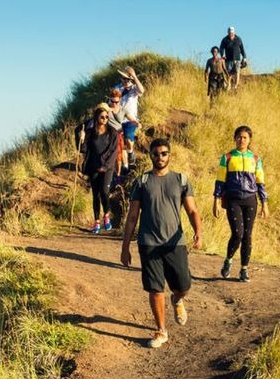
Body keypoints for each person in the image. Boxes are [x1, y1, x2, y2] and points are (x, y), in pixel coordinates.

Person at [121, 138, 202, 349]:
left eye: (164, 153)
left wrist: (198, 233)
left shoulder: (181, 180)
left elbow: (192, 210)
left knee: (184, 286)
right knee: (155, 289)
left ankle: (177, 300)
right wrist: (125, 247)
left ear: (170, 155)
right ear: (150, 156)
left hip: (175, 243)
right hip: (149, 243)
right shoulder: (142, 182)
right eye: (156, 154)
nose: (160, 157)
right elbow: (132, 216)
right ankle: (161, 331)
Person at [213, 125, 268, 283]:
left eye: (244, 137)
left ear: (249, 140)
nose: (241, 140)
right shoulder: (228, 157)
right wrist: (216, 200)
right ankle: (228, 260)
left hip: (250, 199)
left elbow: (260, 182)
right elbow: (220, 180)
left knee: (247, 236)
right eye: (239, 137)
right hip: (233, 199)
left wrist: (265, 203)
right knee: (238, 234)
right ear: (234, 138)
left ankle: (244, 269)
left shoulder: (255, 159)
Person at [81, 105, 122, 233]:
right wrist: (82, 139)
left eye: (106, 117)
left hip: (107, 167)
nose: (105, 119)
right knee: (95, 194)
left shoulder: (113, 133)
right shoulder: (90, 133)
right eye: (102, 117)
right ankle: (97, 222)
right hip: (93, 166)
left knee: (104, 191)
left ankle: (106, 215)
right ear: (97, 118)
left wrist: (105, 166)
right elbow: (84, 150)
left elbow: (114, 152)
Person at [117, 67, 144, 168]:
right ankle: (126, 166)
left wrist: (135, 76)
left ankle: (131, 153)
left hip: (131, 119)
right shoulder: (117, 88)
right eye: (124, 78)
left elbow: (142, 90)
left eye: (128, 78)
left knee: (128, 140)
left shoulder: (134, 88)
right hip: (119, 119)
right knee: (121, 143)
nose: (125, 80)